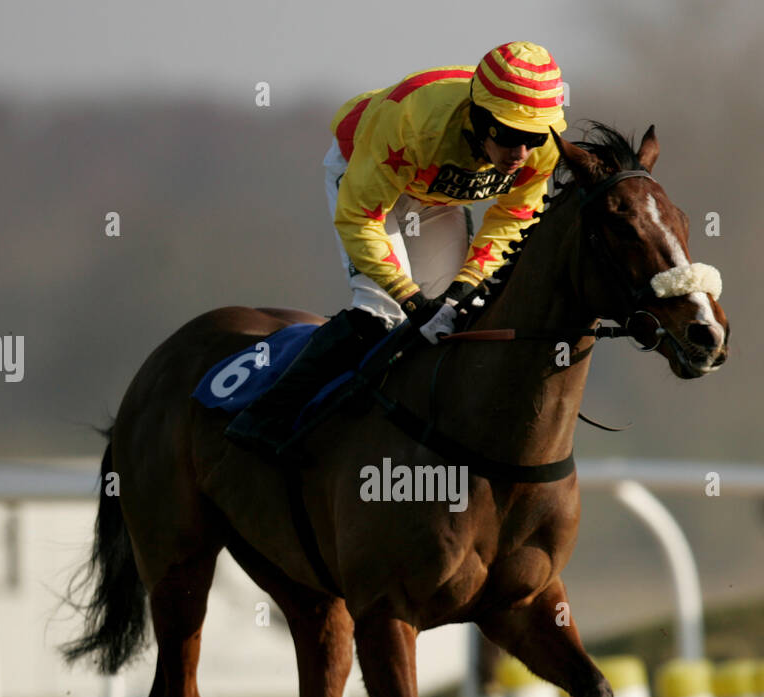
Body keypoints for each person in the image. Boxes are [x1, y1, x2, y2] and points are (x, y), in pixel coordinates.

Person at [224, 41, 566, 461]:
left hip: (435, 198)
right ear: (478, 118)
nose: (521, 154)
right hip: (367, 178)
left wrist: (465, 285)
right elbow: (361, 218)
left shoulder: (543, 148)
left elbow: (514, 216)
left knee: (458, 314)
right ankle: (266, 416)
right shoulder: (412, 122)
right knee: (383, 312)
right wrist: (411, 299)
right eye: (510, 136)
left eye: (532, 138)